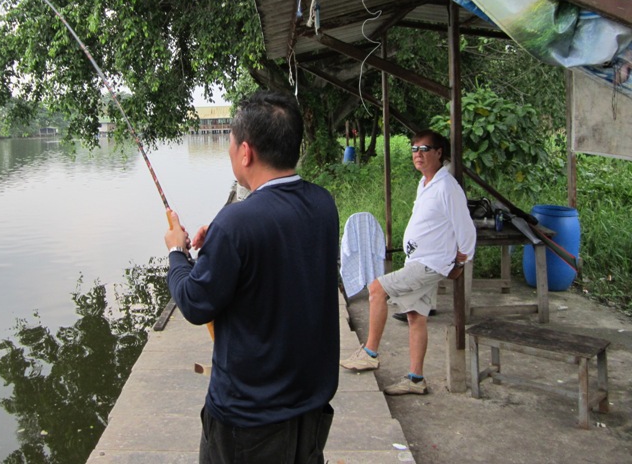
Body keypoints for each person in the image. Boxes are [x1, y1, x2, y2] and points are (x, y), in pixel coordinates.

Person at [164, 90, 340, 463]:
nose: (230, 153)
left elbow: (195, 303)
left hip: (248, 421)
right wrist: (218, 247)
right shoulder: (323, 204)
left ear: (246, 152)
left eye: (229, 144)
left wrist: (177, 252)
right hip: (309, 409)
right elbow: (276, 257)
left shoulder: (237, 223)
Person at [339, 129, 476, 395]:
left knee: (377, 289)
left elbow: (466, 229)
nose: (418, 155)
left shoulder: (447, 187)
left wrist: (460, 262)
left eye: (424, 150)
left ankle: (369, 352)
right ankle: (416, 379)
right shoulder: (426, 183)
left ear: (438, 153)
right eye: (414, 149)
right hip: (419, 260)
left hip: (429, 264)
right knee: (416, 317)